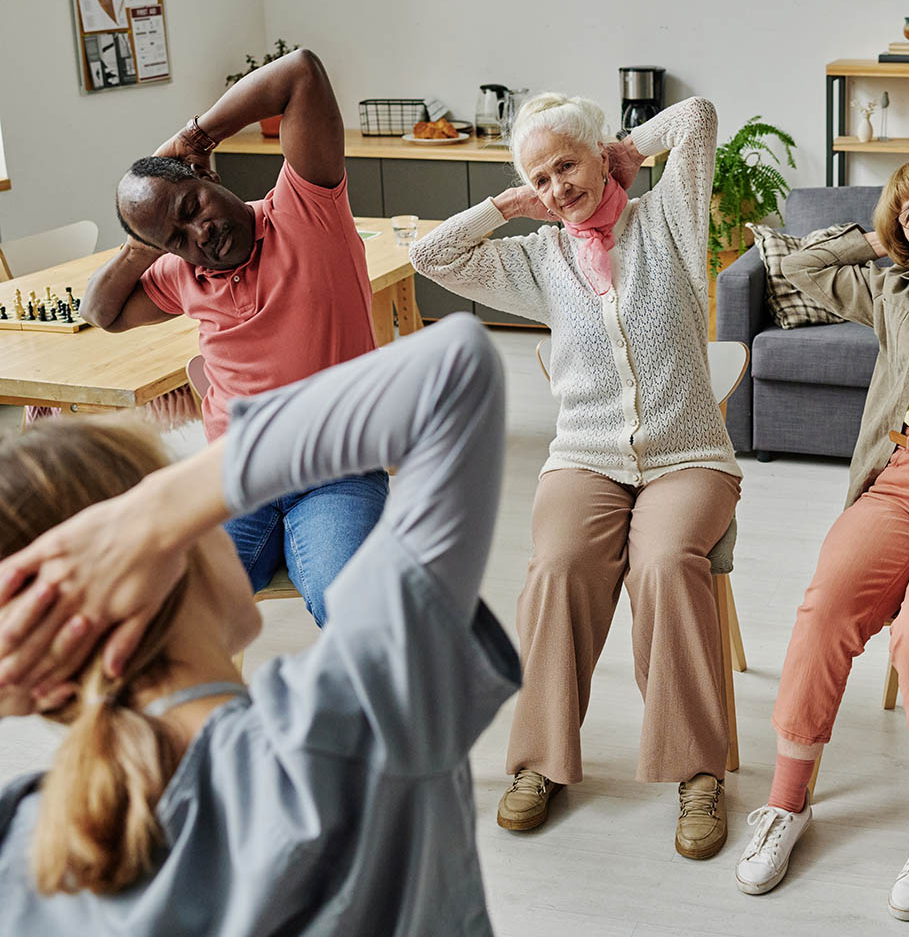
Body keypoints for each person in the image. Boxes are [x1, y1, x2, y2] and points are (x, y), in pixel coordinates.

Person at [0, 314, 519, 936]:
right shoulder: (348, 725)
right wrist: (156, 510)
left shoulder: (28, 842)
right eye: (181, 492)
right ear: (155, 548)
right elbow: (454, 367)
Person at [409, 94, 741, 858]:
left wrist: (626, 151)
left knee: (664, 564)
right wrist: (507, 202)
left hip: (686, 455)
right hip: (585, 457)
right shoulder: (537, 260)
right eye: (542, 177)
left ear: (601, 157)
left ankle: (698, 773)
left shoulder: (668, 221)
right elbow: (432, 257)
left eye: (569, 164)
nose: (559, 187)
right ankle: (539, 765)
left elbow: (694, 117)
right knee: (557, 568)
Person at [735, 156, 909, 922]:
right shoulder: (894, 288)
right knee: (824, 610)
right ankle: (788, 803)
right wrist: (886, 238)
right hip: (907, 479)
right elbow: (804, 259)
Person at [79, 47, 388, 627]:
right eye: (177, 236)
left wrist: (195, 136)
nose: (203, 232)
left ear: (208, 176)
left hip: (335, 474)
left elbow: (300, 71)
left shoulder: (305, 213)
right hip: (233, 477)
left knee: (357, 615)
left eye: (192, 205)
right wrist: (144, 244)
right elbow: (102, 311)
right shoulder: (181, 273)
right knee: (164, 617)